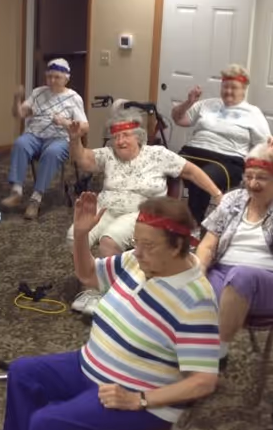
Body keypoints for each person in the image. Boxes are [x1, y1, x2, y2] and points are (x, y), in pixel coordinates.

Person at [0, 195, 219, 430]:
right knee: (24, 373)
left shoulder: (196, 299)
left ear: (179, 245)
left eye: (148, 246)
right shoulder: (139, 262)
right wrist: (80, 234)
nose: (138, 252)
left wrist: (139, 400)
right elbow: (88, 275)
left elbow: (204, 381)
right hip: (92, 364)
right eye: (136, 243)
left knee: (47, 424)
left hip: (139, 398)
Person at [66, 101, 222, 314]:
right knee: (75, 235)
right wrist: (75, 139)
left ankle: (108, 294)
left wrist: (217, 194)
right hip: (105, 209)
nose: (120, 141)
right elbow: (82, 159)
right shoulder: (108, 154)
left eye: (126, 135)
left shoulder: (157, 154)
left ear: (138, 136)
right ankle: (91, 287)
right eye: (116, 137)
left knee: (108, 241)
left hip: (140, 213)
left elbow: (192, 172)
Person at [196, 137, 273, 357]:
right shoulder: (233, 200)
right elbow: (208, 244)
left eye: (262, 178)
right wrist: (198, 270)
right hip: (222, 274)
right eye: (248, 176)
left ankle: (215, 356)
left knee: (241, 276)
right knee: (180, 270)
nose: (253, 184)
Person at [170, 64, 271, 225]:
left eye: (234, 88)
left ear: (244, 89)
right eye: (225, 86)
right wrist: (188, 103)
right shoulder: (207, 104)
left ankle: (193, 224)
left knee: (202, 178)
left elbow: (264, 147)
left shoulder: (253, 113)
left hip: (227, 160)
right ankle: (161, 218)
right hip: (192, 152)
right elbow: (178, 118)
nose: (228, 91)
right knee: (164, 168)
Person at [2, 59, 89, 220]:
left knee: (52, 153)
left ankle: (36, 198)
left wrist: (65, 122)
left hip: (60, 138)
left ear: (66, 78)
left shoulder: (73, 98)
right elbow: (20, 114)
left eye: (56, 77)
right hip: (34, 135)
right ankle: (16, 190)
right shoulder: (38, 92)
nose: (52, 81)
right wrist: (16, 100)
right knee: (20, 143)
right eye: (49, 77)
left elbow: (84, 127)